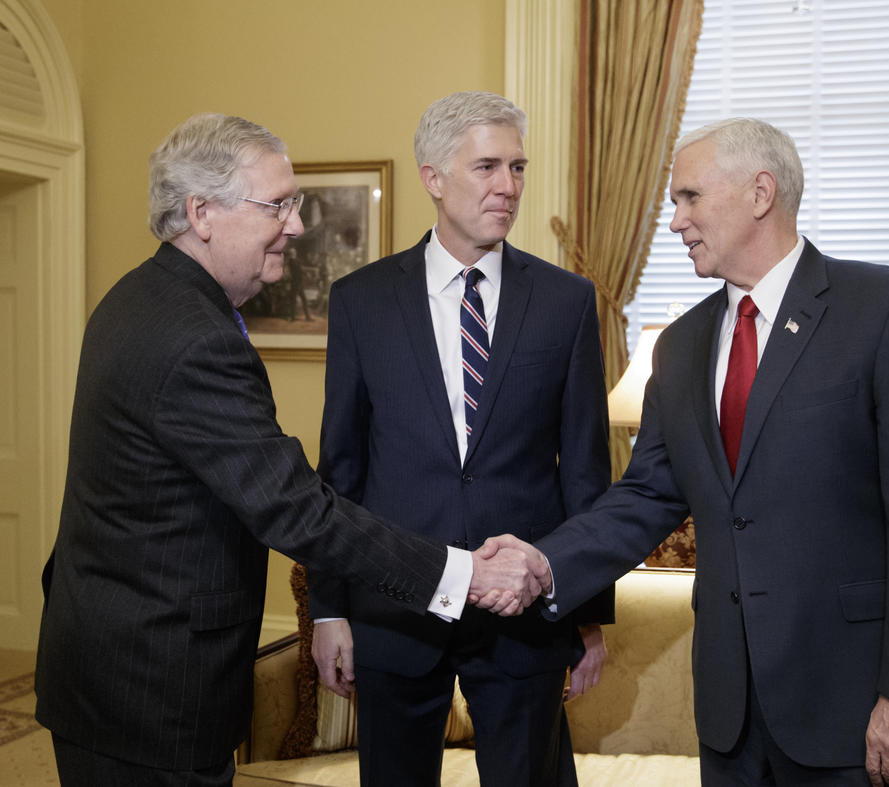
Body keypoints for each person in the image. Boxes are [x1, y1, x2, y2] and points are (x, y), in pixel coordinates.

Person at [34, 112, 545, 787]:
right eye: (277, 204)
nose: (298, 224)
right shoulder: (192, 337)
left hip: (116, 665)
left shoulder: (143, 297)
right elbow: (298, 509)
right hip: (149, 685)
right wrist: (465, 576)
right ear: (202, 213)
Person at [486, 117, 889, 787]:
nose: (674, 221)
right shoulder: (683, 345)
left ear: (759, 192)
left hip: (860, 710)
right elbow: (646, 494)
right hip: (732, 718)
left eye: (689, 197)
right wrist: (546, 562)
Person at [308, 91, 613, 787]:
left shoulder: (567, 301)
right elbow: (340, 470)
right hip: (396, 609)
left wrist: (587, 614)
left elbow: (584, 474)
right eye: (486, 167)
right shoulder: (362, 300)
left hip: (526, 618)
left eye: (518, 167)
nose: (508, 186)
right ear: (433, 177)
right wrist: (329, 608)